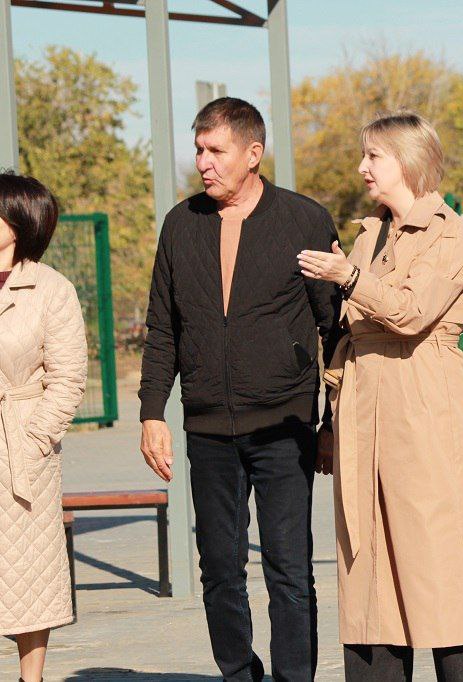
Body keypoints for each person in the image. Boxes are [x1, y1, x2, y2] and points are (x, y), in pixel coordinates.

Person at [138, 97, 341, 681]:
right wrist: (153, 412)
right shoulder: (181, 224)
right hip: (207, 430)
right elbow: (163, 327)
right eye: (198, 150)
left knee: (289, 570)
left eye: (215, 150)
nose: (203, 162)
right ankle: (238, 674)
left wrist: (330, 424)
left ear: (254, 154)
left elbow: (335, 329)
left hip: (284, 426)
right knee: (221, 571)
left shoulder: (304, 220)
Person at [296, 111, 463, 681]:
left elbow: (411, 313)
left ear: (408, 161)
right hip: (363, 404)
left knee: (441, 567)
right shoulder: (369, 235)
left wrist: (348, 277)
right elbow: (346, 331)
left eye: (374, 156)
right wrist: (331, 422)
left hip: (424, 402)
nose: (362, 167)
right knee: (368, 572)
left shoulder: (448, 231)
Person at [0, 172, 87, 682]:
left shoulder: (52, 289)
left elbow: (69, 378)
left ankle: (30, 677)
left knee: (27, 572)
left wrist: (35, 441)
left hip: (21, 449)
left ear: (20, 222)